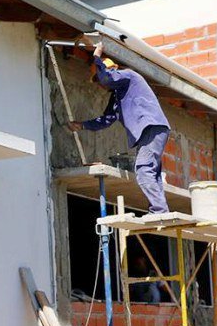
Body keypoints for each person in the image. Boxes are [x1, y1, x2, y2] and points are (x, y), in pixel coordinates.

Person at [68, 42, 171, 215]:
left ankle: (160, 211)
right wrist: (82, 125)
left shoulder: (128, 77)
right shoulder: (117, 96)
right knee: (151, 172)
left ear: (111, 70)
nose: (101, 84)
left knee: (144, 169)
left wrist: (96, 56)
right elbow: (106, 120)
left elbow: (107, 78)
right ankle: (161, 209)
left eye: (99, 79)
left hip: (151, 127)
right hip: (150, 130)